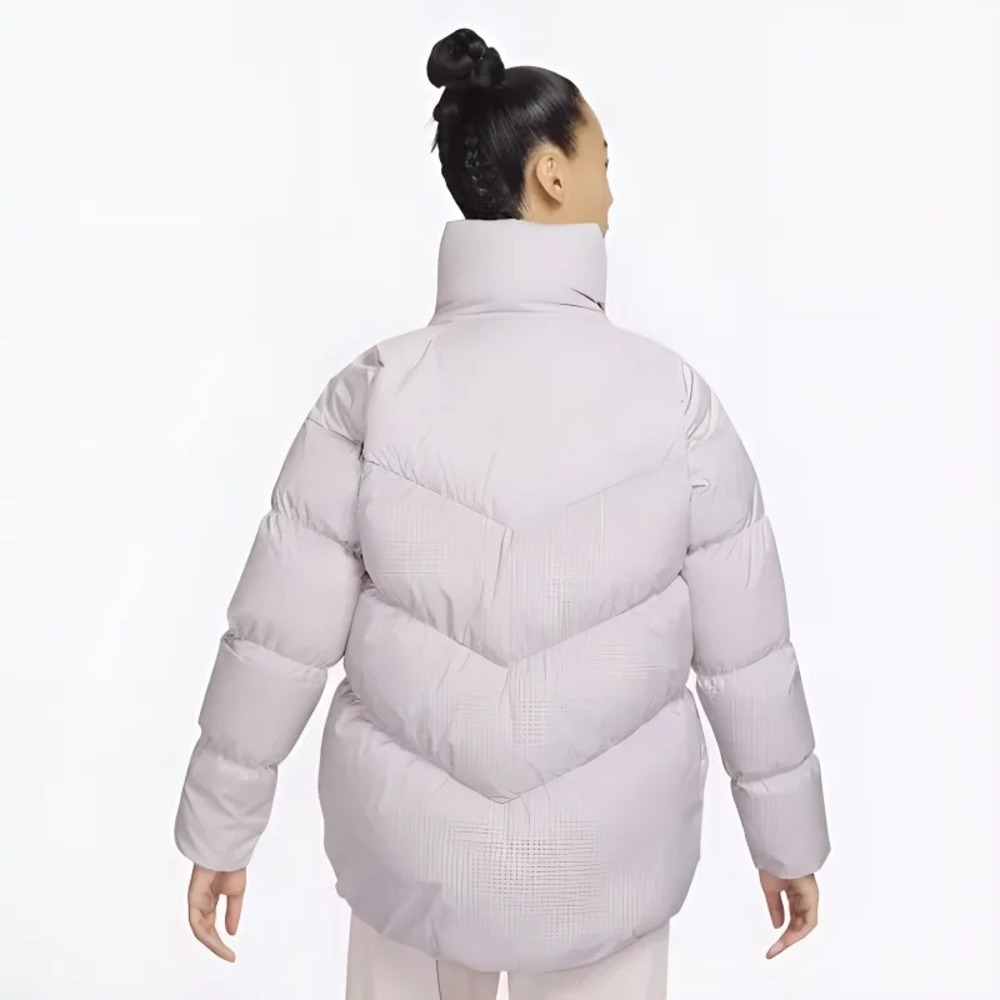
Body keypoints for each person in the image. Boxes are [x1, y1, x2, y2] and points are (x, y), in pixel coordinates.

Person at [174, 26, 831, 999]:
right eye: (601, 161)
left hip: (411, 859)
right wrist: (787, 843)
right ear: (552, 175)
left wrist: (221, 829)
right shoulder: (672, 399)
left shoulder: (375, 389)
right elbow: (748, 654)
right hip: (606, 861)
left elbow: (276, 636)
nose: (611, 191)